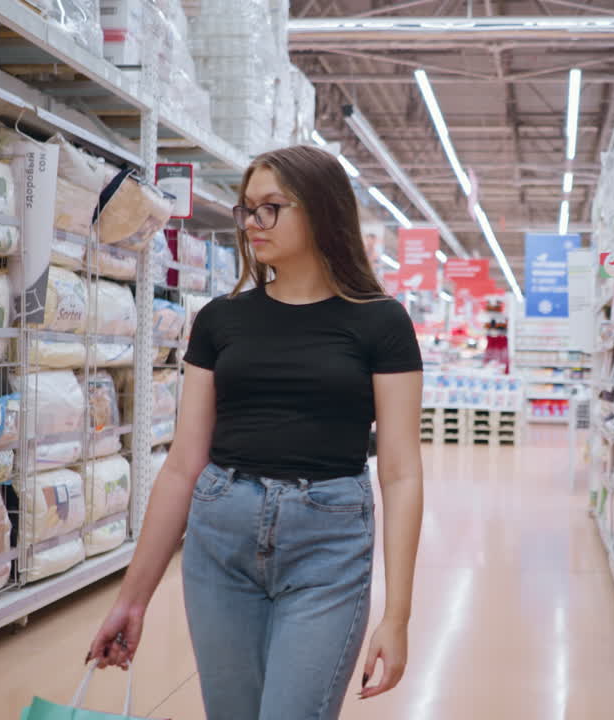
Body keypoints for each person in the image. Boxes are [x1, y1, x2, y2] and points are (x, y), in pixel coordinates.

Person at [87, 145, 425, 720]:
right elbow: (182, 465)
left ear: (322, 211)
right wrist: (132, 597)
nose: (250, 224)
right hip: (221, 537)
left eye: (271, 207)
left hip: (329, 544)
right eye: (247, 209)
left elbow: (399, 471)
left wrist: (397, 617)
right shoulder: (220, 320)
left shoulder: (381, 322)